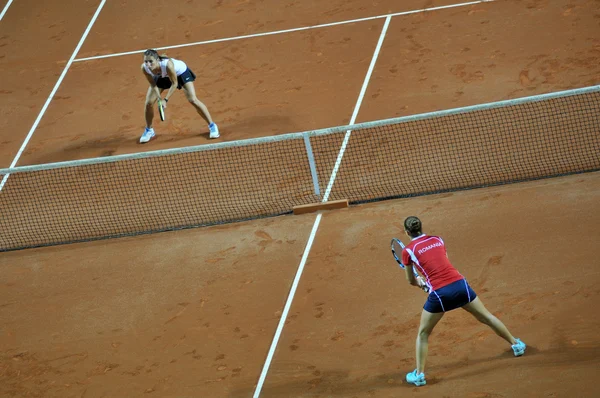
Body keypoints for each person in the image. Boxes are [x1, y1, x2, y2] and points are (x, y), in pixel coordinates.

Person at [400, 216, 526, 386]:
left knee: (423, 334)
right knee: (486, 317)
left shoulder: (407, 251)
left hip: (440, 295)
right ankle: (516, 344)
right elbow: (440, 263)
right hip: (460, 286)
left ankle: (420, 375)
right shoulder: (438, 239)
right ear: (421, 228)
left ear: (407, 232)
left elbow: (411, 280)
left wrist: (422, 284)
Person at [140, 49, 219, 143]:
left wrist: (165, 100)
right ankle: (149, 130)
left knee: (193, 99)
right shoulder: (145, 68)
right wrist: (159, 98)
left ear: (157, 60)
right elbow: (153, 84)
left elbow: (174, 83)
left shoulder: (167, 64)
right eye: (146, 61)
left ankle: (212, 125)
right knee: (148, 103)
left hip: (179, 74)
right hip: (161, 76)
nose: (148, 64)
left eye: (151, 61)